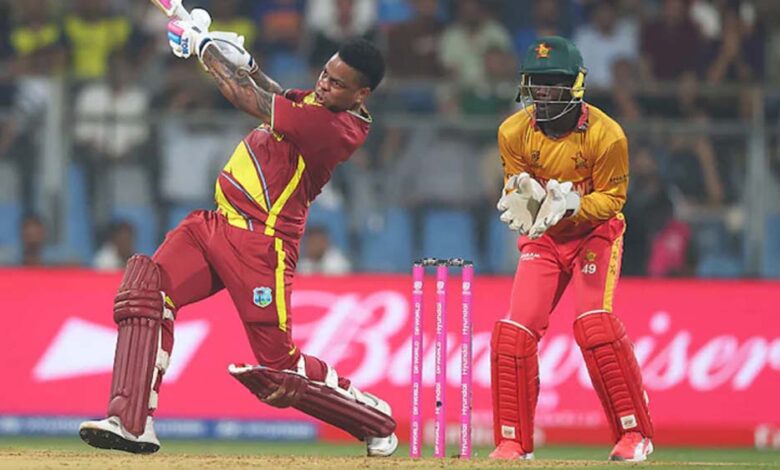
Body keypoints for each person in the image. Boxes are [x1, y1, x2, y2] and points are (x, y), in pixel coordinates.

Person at [79, 5, 396, 457]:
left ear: (362, 94)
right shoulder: (319, 102)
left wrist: (204, 48)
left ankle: (374, 420)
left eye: (337, 83)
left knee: (279, 369)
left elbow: (248, 100)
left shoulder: (335, 127)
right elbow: (273, 93)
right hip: (215, 224)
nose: (325, 85)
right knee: (146, 291)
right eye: (325, 74)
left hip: (261, 245)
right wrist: (244, 62)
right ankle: (130, 422)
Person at [491, 36, 653, 462]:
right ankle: (513, 442)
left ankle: (634, 434)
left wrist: (574, 205)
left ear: (575, 85)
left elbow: (613, 200)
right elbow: (516, 186)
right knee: (514, 332)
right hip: (544, 239)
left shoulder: (607, 135)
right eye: (536, 82)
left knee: (594, 326)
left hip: (594, 234)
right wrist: (521, 197)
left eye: (553, 83)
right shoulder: (512, 132)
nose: (542, 93)